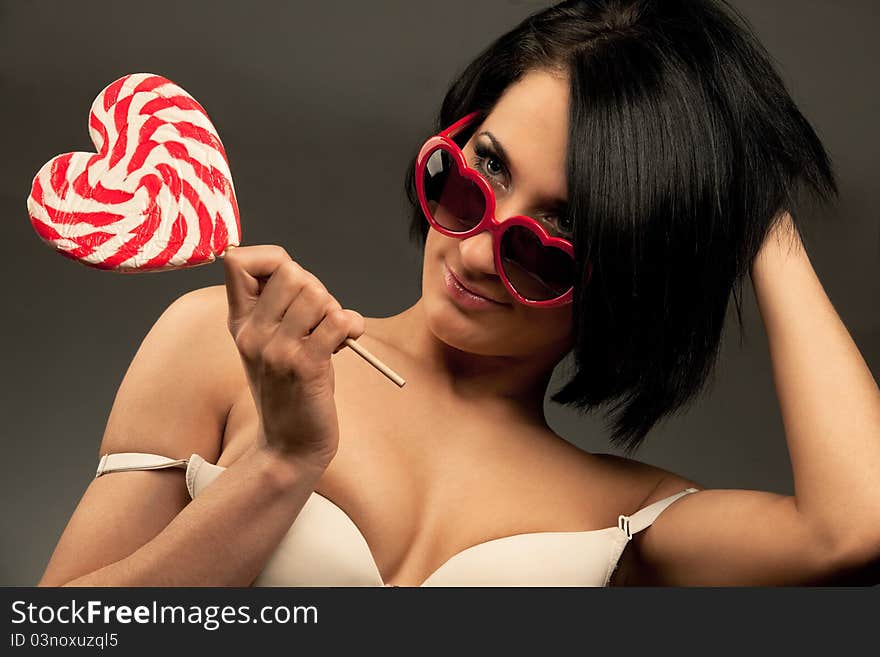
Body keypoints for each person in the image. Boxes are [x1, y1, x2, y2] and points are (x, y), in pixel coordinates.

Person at [39, 0, 879, 587]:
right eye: (477, 174)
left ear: (629, 278)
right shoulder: (227, 348)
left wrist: (754, 203)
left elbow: (855, 528)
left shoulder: (631, 522)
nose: (476, 252)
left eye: (552, 241)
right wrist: (280, 465)